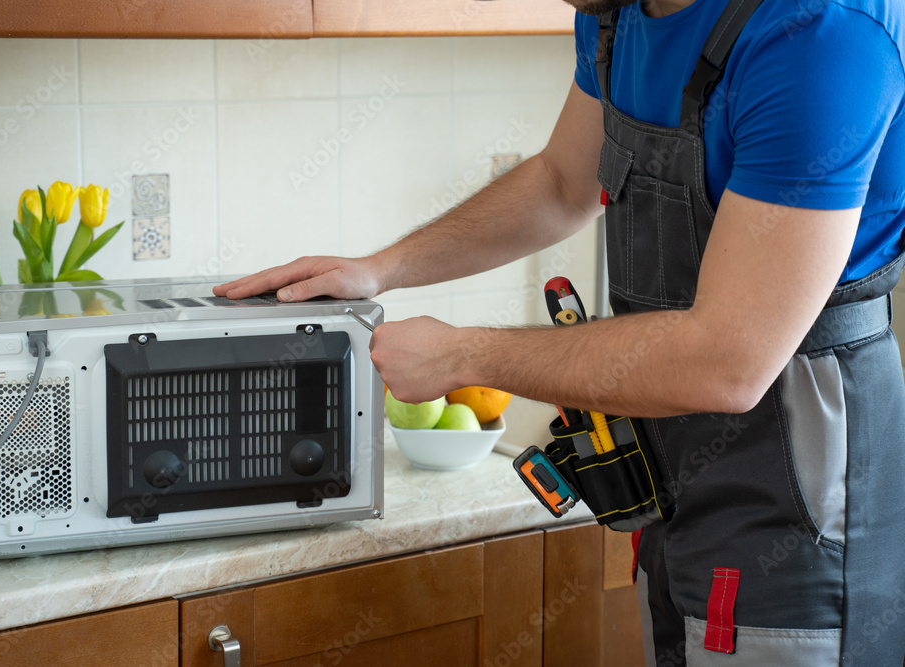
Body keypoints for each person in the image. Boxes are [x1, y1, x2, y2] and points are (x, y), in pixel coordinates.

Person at [216, 0, 905, 663]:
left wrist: (465, 354)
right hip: (671, 487)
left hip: (798, 490)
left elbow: (727, 359)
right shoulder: (618, 12)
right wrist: (381, 269)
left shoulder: (818, 32)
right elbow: (561, 183)